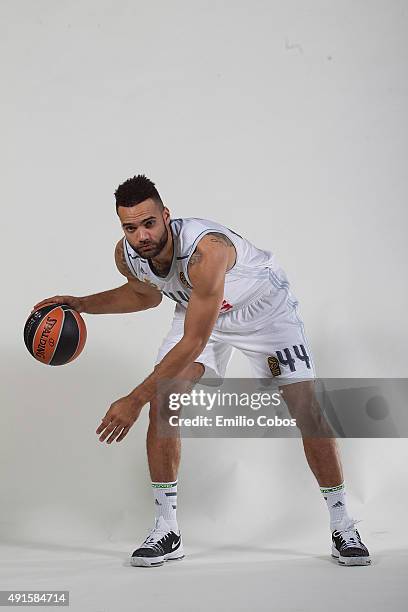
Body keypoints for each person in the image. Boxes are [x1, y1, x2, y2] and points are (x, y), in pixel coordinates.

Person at [32, 174, 371, 568]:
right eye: (130, 227)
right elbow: (144, 294)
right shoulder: (127, 254)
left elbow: (192, 343)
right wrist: (80, 303)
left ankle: (343, 524)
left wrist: (132, 399)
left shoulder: (205, 252)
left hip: (263, 312)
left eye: (149, 223)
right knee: (166, 399)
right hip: (199, 309)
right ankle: (166, 529)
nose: (141, 235)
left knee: (305, 409)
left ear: (166, 216)